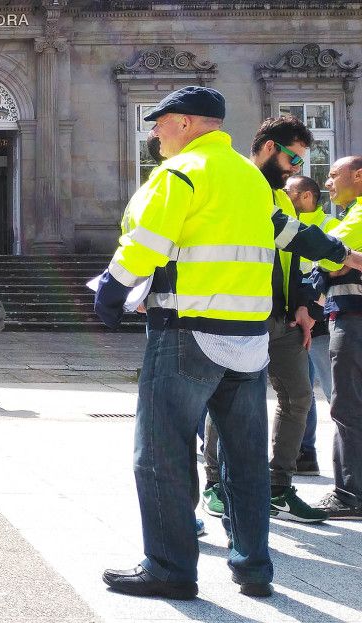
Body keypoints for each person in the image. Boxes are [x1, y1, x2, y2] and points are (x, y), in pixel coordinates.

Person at [95, 86, 277, 599]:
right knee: (244, 458)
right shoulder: (252, 179)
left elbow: (145, 244)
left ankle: (170, 567)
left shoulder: (180, 174)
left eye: (160, 122)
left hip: (186, 331)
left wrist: (109, 291)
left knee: (161, 452)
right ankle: (253, 566)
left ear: (187, 123)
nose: (153, 131)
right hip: (249, 338)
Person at [200, 117, 356, 525]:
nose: (296, 169)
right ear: (268, 147)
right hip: (238, 314)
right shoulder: (237, 185)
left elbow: (296, 258)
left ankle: (277, 486)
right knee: (226, 398)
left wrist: (305, 304)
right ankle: (216, 484)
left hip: (284, 317)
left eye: (302, 161)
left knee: (299, 397)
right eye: (292, 158)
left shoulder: (285, 200)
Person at [313, 155, 362, 519]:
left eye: (333, 175)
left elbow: (327, 258)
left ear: (358, 177)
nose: (328, 183)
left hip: (354, 321)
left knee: (346, 405)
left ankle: (348, 494)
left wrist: (342, 258)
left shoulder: (359, 213)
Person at [288, 174, 338, 475]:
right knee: (299, 392)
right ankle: (303, 454)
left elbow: (329, 273)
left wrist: (312, 309)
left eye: (289, 192)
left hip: (320, 324)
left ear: (306, 196)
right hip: (296, 320)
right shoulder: (289, 228)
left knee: (335, 395)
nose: (285, 196)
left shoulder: (330, 227)